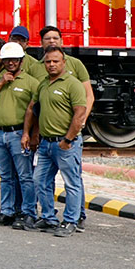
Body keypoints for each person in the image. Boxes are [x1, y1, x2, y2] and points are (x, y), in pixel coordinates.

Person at [24, 48, 89, 236]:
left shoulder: (73, 84)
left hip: (65, 144)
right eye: (48, 62)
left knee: (71, 183)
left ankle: (71, 221)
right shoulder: (43, 84)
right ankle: (48, 217)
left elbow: (79, 114)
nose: (51, 65)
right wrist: (31, 134)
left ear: (63, 63)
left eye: (55, 61)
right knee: (40, 181)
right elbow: (34, 109)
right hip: (45, 144)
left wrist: (68, 140)